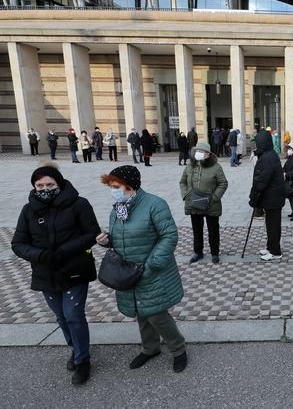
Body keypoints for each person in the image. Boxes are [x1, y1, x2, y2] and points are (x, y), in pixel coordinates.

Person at [12, 163, 100, 385]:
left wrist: (62, 251)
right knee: (61, 316)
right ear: (34, 186)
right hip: (45, 273)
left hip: (74, 270)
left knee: (73, 315)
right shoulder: (28, 209)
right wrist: (40, 255)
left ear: (58, 183)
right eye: (40, 185)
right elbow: (18, 243)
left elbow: (91, 234)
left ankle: (83, 360)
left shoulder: (79, 204)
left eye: (49, 184)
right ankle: (75, 348)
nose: (45, 188)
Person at [97, 166, 187, 373]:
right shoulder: (118, 207)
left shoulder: (155, 204)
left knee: (156, 313)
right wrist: (107, 241)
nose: (113, 190)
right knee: (141, 311)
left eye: (116, 186)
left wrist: (152, 264)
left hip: (150, 270)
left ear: (130, 186)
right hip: (128, 273)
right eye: (111, 186)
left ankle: (178, 349)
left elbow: (169, 235)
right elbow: (120, 239)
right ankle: (150, 348)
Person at [180, 142, 228, 264]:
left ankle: (215, 253)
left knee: (213, 230)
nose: (198, 154)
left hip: (211, 204)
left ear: (208, 154)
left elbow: (223, 183)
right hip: (194, 203)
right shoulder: (190, 166)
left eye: (201, 152)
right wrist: (186, 194)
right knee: (197, 229)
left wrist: (215, 197)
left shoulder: (216, 167)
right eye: (196, 151)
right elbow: (183, 182)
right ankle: (198, 252)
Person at [249, 129, 286, 261]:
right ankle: (270, 247)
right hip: (273, 197)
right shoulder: (269, 154)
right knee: (270, 225)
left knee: (273, 226)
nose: (256, 146)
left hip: (273, 198)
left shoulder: (267, 158)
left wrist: (253, 198)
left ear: (263, 143)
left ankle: (276, 252)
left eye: (257, 143)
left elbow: (260, 181)